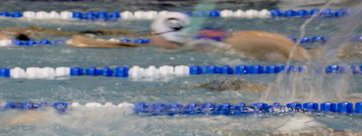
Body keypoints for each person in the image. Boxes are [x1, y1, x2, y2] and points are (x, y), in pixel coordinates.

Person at [69, 11, 310, 61]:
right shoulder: (184, 43)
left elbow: (274, 41)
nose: (150, 37)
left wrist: (304, 58)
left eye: (153, 33)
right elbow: (130, 45)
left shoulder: (219, 40)